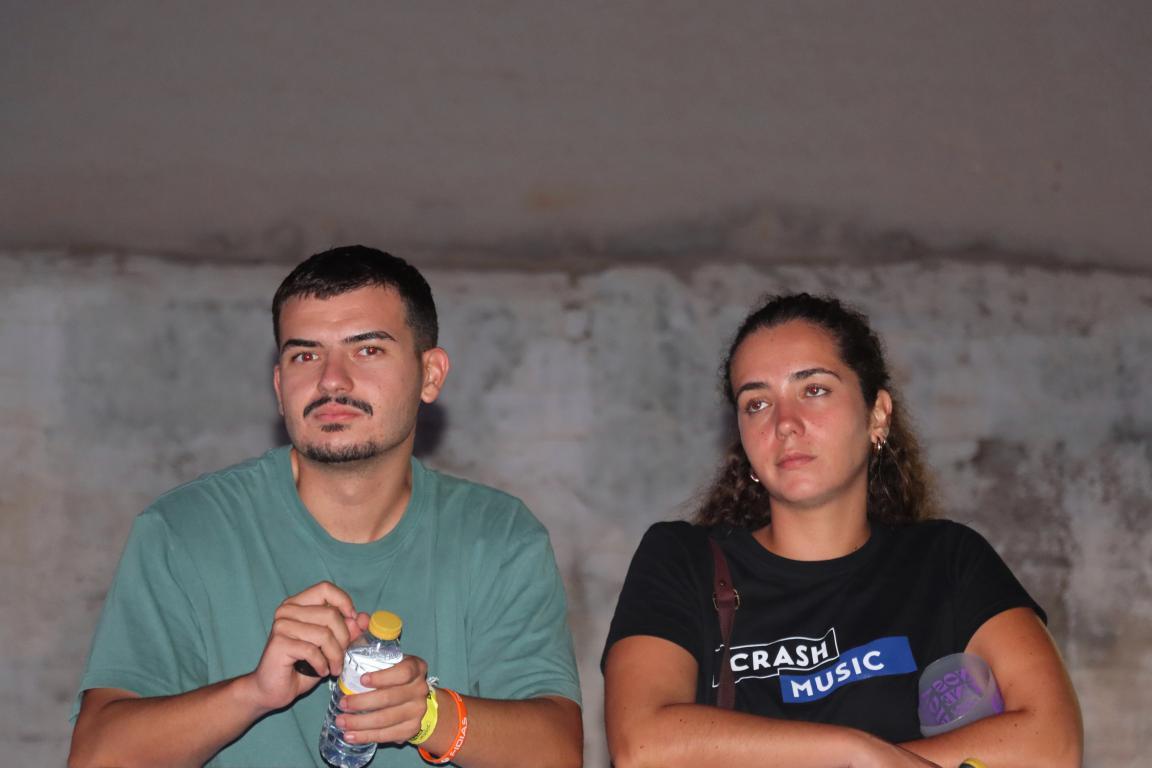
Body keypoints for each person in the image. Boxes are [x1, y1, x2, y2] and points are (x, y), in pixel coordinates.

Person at [69, 246, 582, 768]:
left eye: (367, 350)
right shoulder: (185, 531)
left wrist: (430, 715)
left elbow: (558, 752)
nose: (332, 380)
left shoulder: (498, 537)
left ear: (430, 374)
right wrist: (253, 693)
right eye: (305, 356)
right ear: (279, 386)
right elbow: (96, 759)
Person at [602, 293, 1082, 768]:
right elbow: (642, 746)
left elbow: (1052, 743)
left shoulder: (948, 560)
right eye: (757, 403)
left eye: (814, 390)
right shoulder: (682, 560)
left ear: (877, 415)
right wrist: (853, 750)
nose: (785, 424)